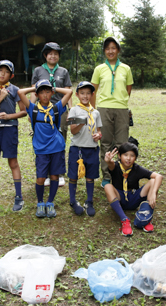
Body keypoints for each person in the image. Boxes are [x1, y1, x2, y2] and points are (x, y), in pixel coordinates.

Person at [18, 79, 73, 218]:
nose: (45, 95)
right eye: (41, 92)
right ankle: (40, 202)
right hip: (41, 149)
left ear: (51, 93)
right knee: (41, 178)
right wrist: (33, 89)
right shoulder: (33, 108)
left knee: (54, 176)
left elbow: (69, 92)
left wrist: (55, 88)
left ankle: (50, 202)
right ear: (37, 94)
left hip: (56, 147)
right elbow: (20, 92)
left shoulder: (56, 108)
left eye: (47, 92)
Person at [0, 60, 27, 211]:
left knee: (13, 162)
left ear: (11, 75)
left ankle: (19, 197)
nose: (3, 73)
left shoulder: (15, 90)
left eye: (6, 71)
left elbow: (23, 111)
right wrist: (0, 97)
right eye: (0, 70)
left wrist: (9, 116)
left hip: (9, 129)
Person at [90, 36, 134, 186]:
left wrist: (120, 101)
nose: (110, 51)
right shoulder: (99, 69)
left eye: (113, 48)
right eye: (107, 48)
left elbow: (128, 89)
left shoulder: (126, 69)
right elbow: (93, 90)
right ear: (104, 51)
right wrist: (94, 110)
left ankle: (122, 174)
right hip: (103, 109)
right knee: (106, 143)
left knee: (122, 143)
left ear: (118, 50)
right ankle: (107, 176)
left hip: (121, 109)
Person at [31, 42, 72, 186]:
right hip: (42, 110)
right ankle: (47, 173)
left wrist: (70, 110)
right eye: (50, 53)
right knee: (44, 139)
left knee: (60, 138)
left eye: (56, 53)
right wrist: (31, 110)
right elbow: (33, 91)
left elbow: (68, 90)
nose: (53, 56)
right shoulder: (38, 71)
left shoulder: (63, 71)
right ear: (45, 55)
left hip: (59, 109)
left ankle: (59, 173)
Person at [103, 141, 163, 237]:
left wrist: (153, 193)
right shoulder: (116, 166)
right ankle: (124, 219)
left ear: (135, 158)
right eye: (125, 155)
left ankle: (145, 217)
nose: (128, 158)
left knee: (153, 181)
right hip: (120, 198)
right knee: (107, 186)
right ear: (119, 156)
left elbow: (159, 176)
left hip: (134, 197)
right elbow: (111, 165)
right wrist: (108, 161)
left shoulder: (137, 168)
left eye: (132, 155)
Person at [67, 81, 103, 216]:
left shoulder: (96, 112)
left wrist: (98, 136)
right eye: (82, 93)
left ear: (92, 95)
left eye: (88, 93)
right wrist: (81, 122)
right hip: (77, 149)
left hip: (92, 149)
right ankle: (72, 200)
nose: (85, 96)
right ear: (77, 94)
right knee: (73, 176)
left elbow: (99, 131)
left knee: (90, 176)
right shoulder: (74, 110)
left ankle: (89, 201)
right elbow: (72, 131)